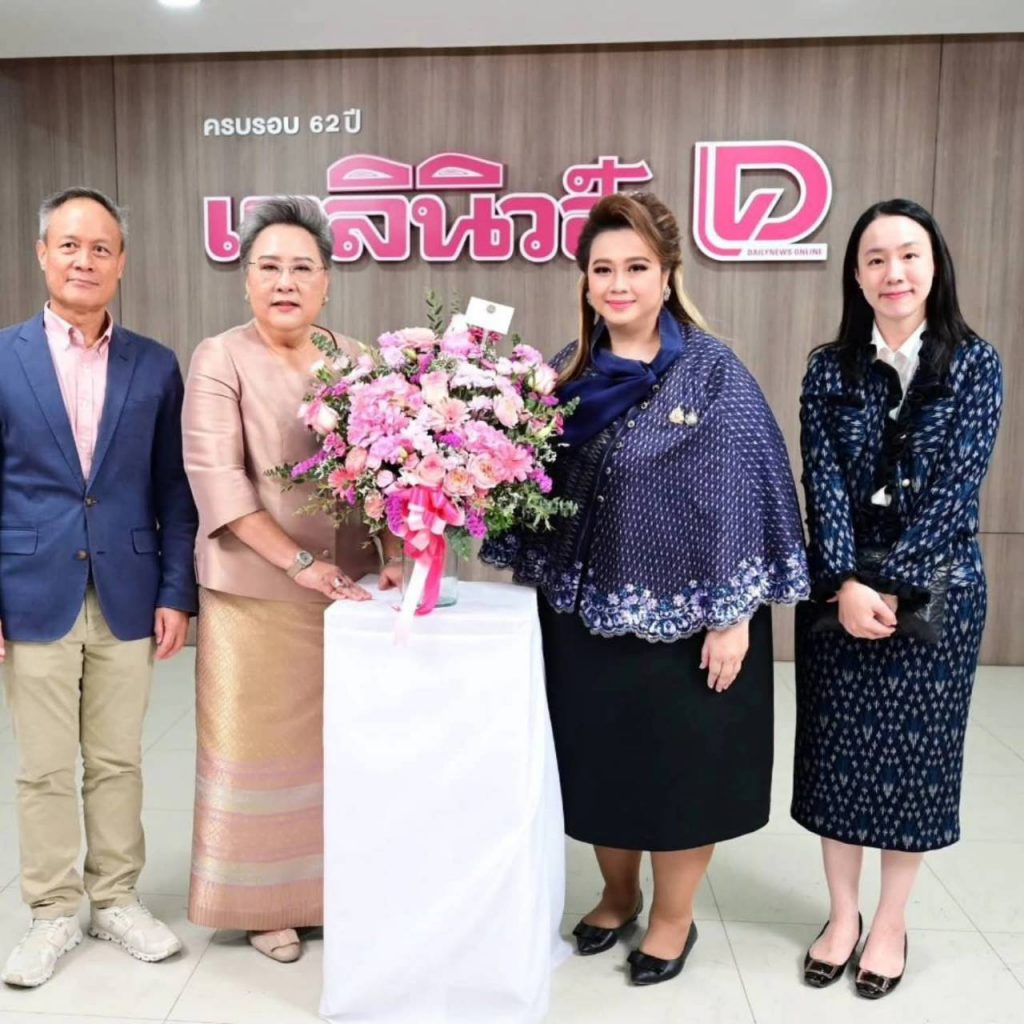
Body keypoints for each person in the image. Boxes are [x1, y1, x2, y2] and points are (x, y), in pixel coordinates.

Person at [483, 191, 809, 986]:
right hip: (584, 612)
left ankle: (673, 917)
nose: (619, 283)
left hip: (693, 619)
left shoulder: (713, 372)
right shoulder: (566, 372)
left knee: (680, 777)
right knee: (599, 764)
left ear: (667, 276)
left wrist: (734, 617)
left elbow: (749, 491)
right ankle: (618, 893)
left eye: (637, 267)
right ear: (586, 281)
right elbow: (529, 484)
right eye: (604, 269)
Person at [182, 196, 402, 962]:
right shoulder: (220, 357)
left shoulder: (357, 359)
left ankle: (333, 890)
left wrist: (395, 554)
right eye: (269, 266)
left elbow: (392, 467)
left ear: (327, 281)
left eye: (302, 267)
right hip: (257, 594)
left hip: (350, 596)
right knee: (260, 752)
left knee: (339, 751)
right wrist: (300, 563)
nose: (285, 282)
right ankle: (263, 901)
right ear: (246, 278)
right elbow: (218, 480)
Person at [792, 199, 1003, 999]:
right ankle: (843, 915)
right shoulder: (829, 369)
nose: (894, 272)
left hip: (937, 590)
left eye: (910, 254)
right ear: (856, 275)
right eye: (875, 258)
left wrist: (891, 584)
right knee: (839, 758)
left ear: (935, 264)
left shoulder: (975, 364)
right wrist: (845, 582)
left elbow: (957, 491)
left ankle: (890, 921)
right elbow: (823, 485)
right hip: (840, 592)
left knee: (915, 763)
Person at [0, 187, 197, 987]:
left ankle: (115, 898)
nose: (85, 260)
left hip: (128, 587)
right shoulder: (3, 357)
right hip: (30, 588)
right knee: (45, 765)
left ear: (121, 263)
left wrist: (177, 590)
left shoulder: (155, 364)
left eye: (101, 248)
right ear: (42, 254)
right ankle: (52, 911)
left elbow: (174, 490)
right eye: (70, 245)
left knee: (117, 759)